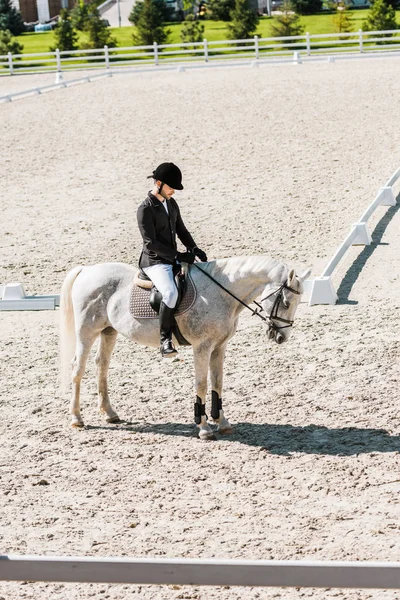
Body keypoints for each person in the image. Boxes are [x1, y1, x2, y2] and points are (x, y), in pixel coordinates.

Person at [137, 162, 208, 358]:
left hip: (170, 258)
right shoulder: (145, 209)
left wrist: (194, 248)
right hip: (155, 262)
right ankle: (165, 340)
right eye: (170, 188)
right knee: (169, 293)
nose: (173, 192)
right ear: (158, 183)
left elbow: (181, 230)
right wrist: (177, 256)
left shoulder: (171, 203)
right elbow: (150, 243)